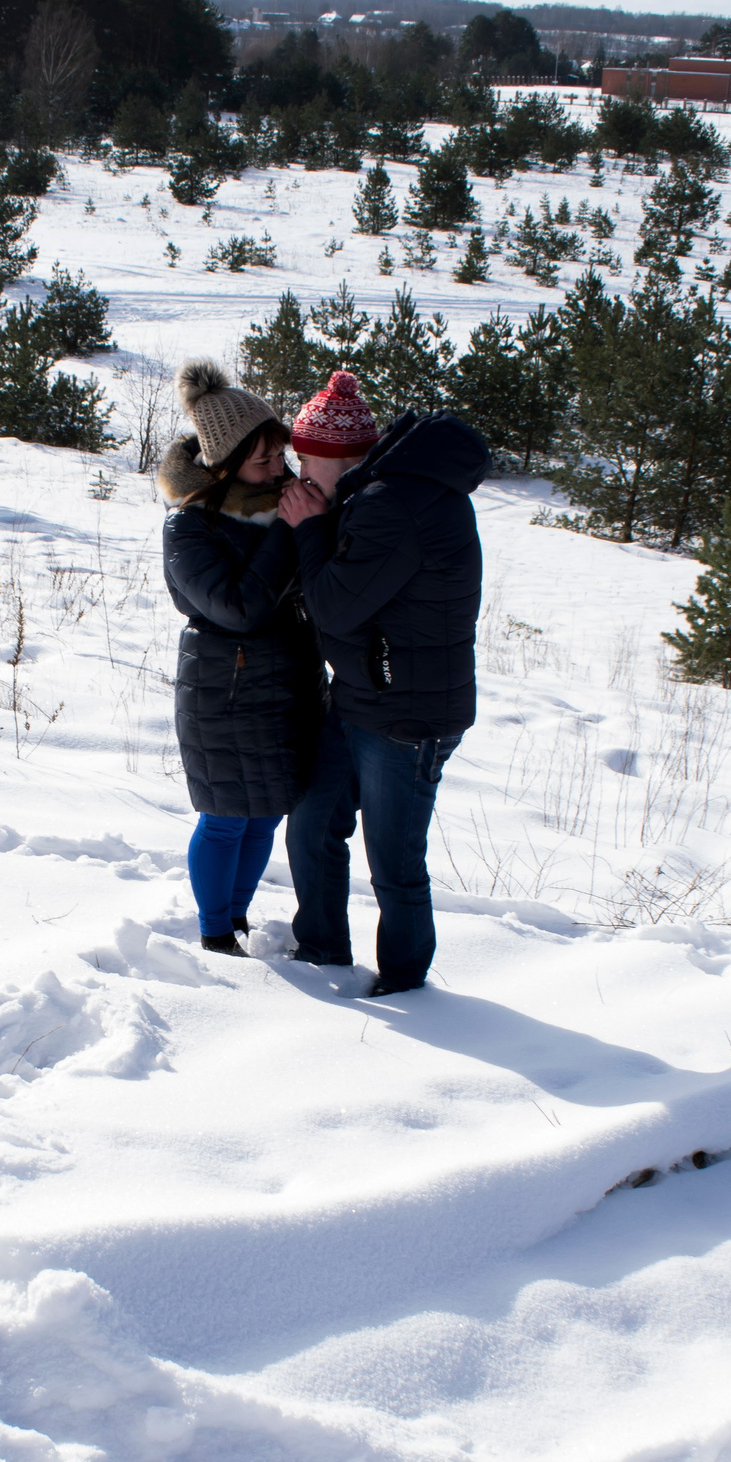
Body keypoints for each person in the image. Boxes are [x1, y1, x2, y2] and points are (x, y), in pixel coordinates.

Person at [277, 371, 492, 997]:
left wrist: (310, 529)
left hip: (407, 716)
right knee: (313, 824)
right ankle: (321, 952)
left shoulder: (393, 505)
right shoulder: (378, 492)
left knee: (394, 864)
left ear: (337, 456)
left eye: (305, 459)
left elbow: (335, 607)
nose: (299, 472)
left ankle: (405, 986)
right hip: (363, 695)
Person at [158, 360, 325, 957]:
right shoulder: (189, 526)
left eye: (281, 455)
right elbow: (238, 609)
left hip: (288, 686)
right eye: (263, 461)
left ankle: (238, 918)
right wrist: (288, 531)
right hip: (224, 691)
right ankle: (215, 933)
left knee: (267, 814)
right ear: (224, 463)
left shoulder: (288, 504)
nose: (278, 469)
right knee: (228, 815)